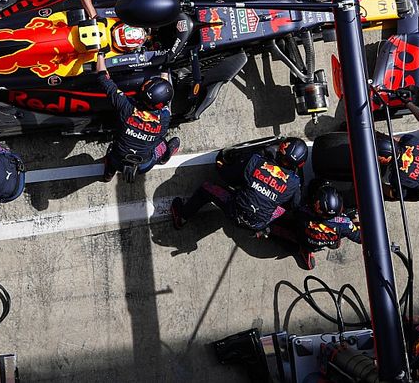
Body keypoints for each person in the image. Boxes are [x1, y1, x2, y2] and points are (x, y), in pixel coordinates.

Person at [170, 138, 308, 233]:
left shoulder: (257, 162)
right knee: (281, 208)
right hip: (258, 224)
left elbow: (228, 176)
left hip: (235, 211)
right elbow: (295, 206)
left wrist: (222, 166)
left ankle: (181, 217)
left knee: (207, 188)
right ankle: (264, 230)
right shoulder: (295, 183)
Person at [95, 53, 180, 182]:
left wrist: (100, 54)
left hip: (117, 159)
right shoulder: (164, 117)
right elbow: (166, 103)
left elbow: (103, 79)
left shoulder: (126, 106)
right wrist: (165, 69)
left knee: (113, 156)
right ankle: (164, 157)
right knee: (162, 144)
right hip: (144, 165)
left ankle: (108, 175)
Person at [270, 179, 361, 270]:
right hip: (322, 243)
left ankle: (302, 249)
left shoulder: (303, 212)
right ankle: (325, 244)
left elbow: (294, 207)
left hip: (303, 238)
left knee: (275, 226)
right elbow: (360, 238)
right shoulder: (344, 224)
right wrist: (355, 221)